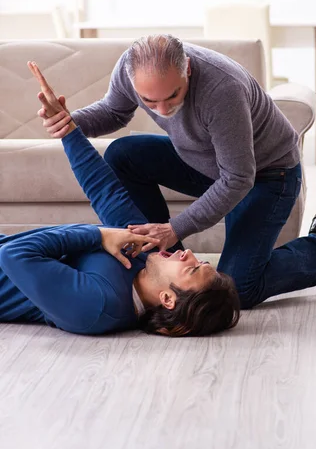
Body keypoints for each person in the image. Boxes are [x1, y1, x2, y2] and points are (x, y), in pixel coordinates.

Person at [38, 35, 316, 307]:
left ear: (187, 69)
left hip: (267, 175)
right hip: (208, 163)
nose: (163, 110)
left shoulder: (221, 90)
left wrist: (174, 226)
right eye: (149, 102)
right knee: (124, 153)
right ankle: (164, 257)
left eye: (172, 96)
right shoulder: (130, 67)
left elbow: (239, 177)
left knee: (234, 289)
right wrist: (70, 121)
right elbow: (114, 112)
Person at [0, 65, 241, 337]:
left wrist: (99, 235)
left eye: (193, 269)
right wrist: (67, 128)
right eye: (200, 262)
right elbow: (107, 193)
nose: (189, 253)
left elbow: (12, 255)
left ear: (168, 299)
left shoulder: (97, 307)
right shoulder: (145, 255)